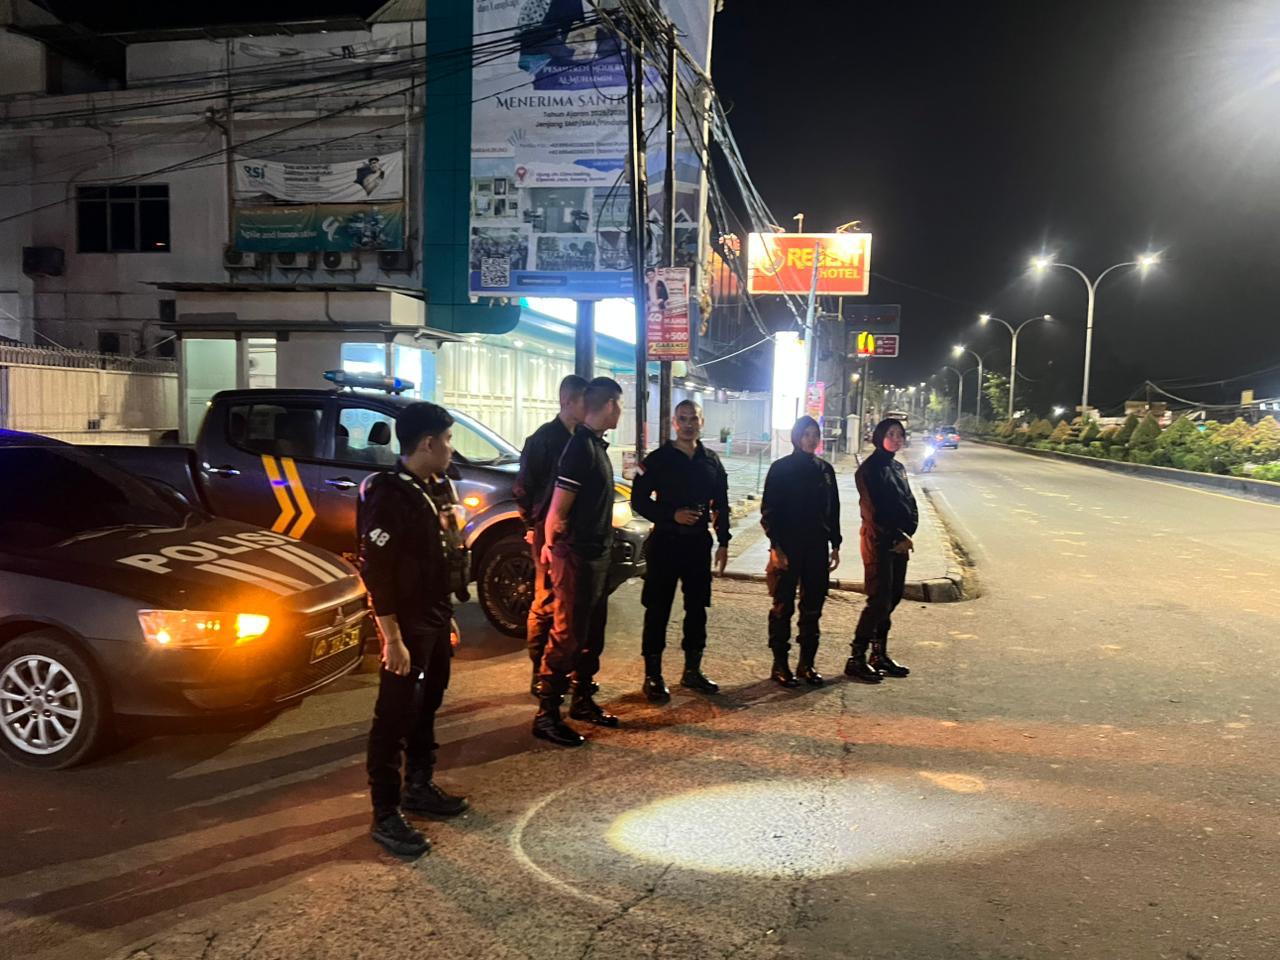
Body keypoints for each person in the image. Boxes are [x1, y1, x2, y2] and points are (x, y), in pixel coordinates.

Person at [359, 402, 471, 857]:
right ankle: (385, 813)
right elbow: (376, 571)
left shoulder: (434, 487)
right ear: (427, 443)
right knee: (394, 715)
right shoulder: (390, 495)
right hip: (405, 624)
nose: (451, 448)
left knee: (428, 703)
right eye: (447, 440)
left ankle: (419, 785)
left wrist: (446, 613)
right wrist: (392, 639)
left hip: (434, 615)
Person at [534, 377, 625, 746]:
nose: (621, 411)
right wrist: (551, 546)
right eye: (620, 404)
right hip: (577, 558)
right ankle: (547, 715)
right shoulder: (579, 449)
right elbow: (558, 510)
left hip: (596, 556)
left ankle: (582, 700)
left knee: (591, 635)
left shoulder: (594, 445)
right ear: (609, 404)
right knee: (567, 636)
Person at [630, 399, 731, 702]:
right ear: (674, 423)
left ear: (702, 422)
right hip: (666, 543)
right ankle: (652, 675)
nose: (688, 424)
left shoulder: (711, 461)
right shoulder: (657, 459)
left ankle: (692, 671)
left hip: (698, 544)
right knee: (658, 608)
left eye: (693, 419)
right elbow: (638, 499)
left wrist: (724, 541)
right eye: (683, 419)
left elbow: (721, 503)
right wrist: (670, 514)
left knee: (697, 609)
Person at [513, 374, 589, 695]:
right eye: (584, 400)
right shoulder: (543, 440)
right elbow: (524, 488)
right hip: (548, 533)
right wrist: (533, 527)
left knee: (568, 603)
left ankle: (562, 668)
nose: (589, 406)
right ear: (567, 401)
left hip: (574, 535)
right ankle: (539, 671)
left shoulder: (583, 439)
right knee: (545, 601)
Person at [760, 416, 841, 687]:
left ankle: (807, 663)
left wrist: (836, 544)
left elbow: (834, 509)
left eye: (815, 434)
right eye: (806, 434)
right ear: (796, 437)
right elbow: (769, 510)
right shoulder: (781, 468)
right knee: (783, 605)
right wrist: (776, 546)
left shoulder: (825, 470)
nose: (811, 439)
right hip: (788, 546)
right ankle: (780, 663)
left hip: (817, 546)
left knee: (813, 607)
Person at [847, 417, 918, 683]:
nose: (896, 439)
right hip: (878, 542)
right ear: (879, 436)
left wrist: (908, 533)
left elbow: (910, 502)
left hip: (900, 543)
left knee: (894, 596)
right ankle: (857, 657)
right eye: (891, 434)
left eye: (900, 434)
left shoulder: (898, 467)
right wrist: (897, 536)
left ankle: (879, 654)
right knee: (878, 600)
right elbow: (873, 511)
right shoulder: (869, 470)